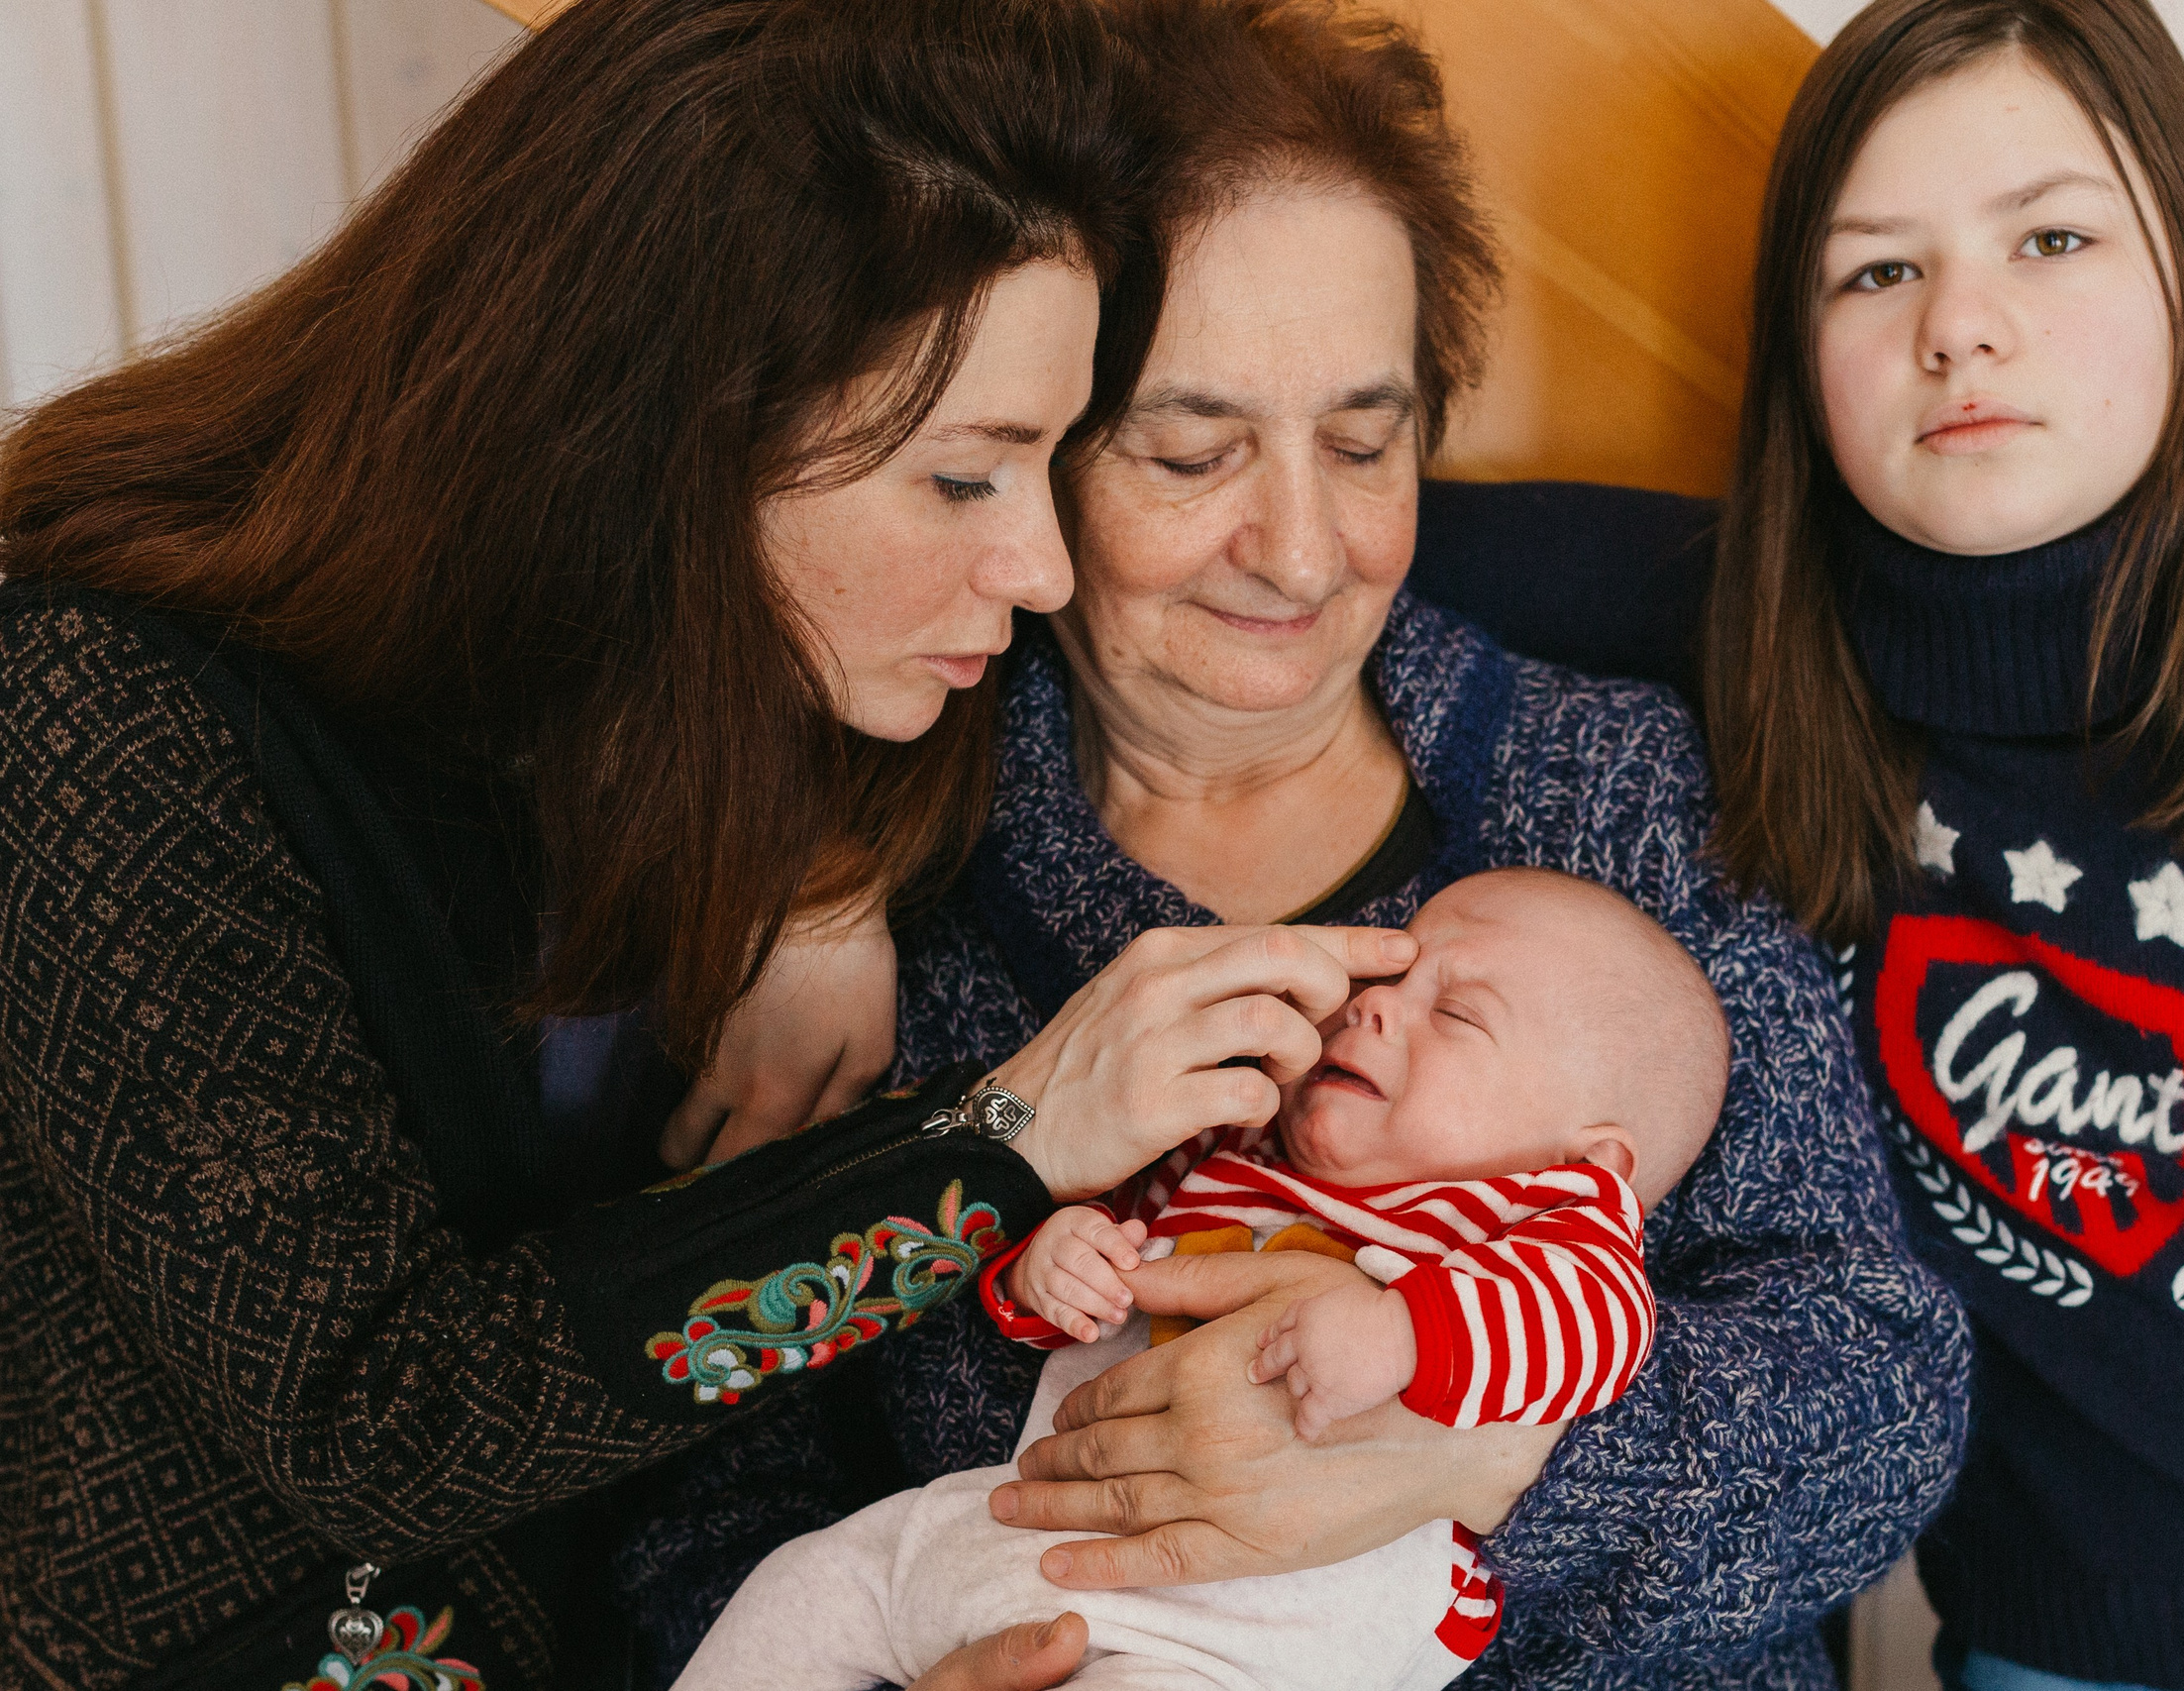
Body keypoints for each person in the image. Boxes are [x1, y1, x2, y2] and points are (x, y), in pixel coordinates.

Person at [0, 3, 1423, 1686]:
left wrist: (821, 866)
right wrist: (1006, 1134)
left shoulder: (772, 677)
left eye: (1053, 458)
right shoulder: (96, 716)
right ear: (662, 437)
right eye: (965, 479)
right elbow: (378, 1419)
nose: (1043, 567)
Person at [624, 2, 1973, 1683]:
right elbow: (707, 1481)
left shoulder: (1612, 790)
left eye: (1361, 441)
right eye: (1190, 451)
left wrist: (1483, 1465)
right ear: (1034, 450)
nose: (1302, 548)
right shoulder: (885, 870)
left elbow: (1881, 1382)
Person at [1417, 1, 2184, 1687]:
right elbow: (1330, 518)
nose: (1961, 327)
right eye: (1877, 271)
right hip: (2012, 1654)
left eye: (2053, 239)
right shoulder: (1761, 638)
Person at [675, 868, 1730, 1691]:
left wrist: (1403, 1335)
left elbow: (1602, 1326)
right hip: (1008, 1535)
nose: (1373, 1010)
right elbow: (1070, 1240)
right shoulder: (1229, 1148)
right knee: (805, 1586)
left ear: (1592, 1159)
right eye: (1385, 981)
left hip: (1246, 1637)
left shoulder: (1541, 1219)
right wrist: (1053, 1261)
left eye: (1454, 1015)